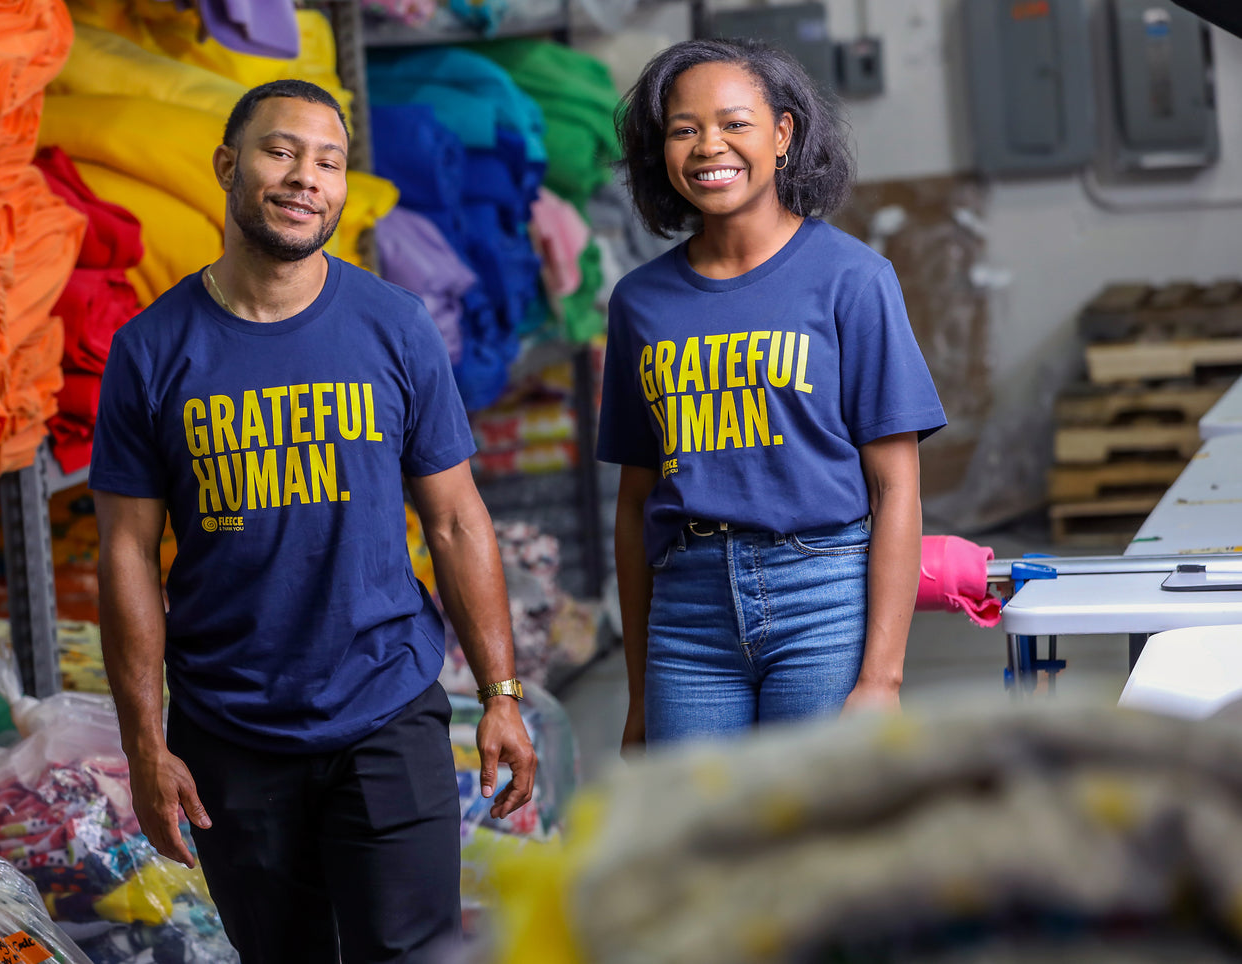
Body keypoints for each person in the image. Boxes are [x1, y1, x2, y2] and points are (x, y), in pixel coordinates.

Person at [90, 78, 536, 964]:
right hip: (229, 733)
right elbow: (127, 556)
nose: (306, 179)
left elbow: (454, 521)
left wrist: (500, 695)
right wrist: (146, 744)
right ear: (228, 165)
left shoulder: (395, 325)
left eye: (328, 162)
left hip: (384, 707)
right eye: (281, 152)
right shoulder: (151, 350)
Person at [598, 39, 947, 749]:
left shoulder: (852, 278)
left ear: (782, 134)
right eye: (683, 129)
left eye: (734, 123)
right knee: (704, 843)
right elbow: (635, 502)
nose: (708, 147)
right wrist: (640, 694)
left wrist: (881, 678)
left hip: (821, 594)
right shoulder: (639, 302)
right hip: (686, 611)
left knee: (811, 840)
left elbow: (896, 488)